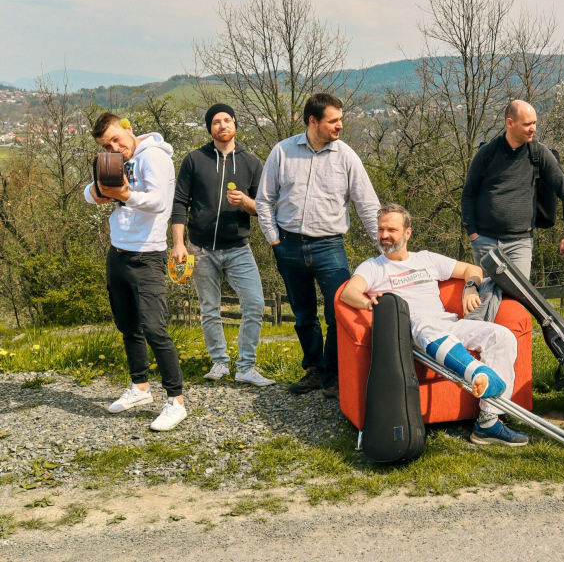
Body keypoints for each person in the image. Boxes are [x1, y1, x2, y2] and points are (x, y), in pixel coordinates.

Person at [340, 204, 529, 447]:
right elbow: (349, 292)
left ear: (408, 233)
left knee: (501, 335)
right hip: (411, 332)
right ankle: (477, 373)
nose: (384, 235)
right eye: (380, 229)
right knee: (419, 320)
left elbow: (471, 269)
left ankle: (488, 422)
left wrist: (470, 286)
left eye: (391, 229)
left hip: (446, 325)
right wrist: (368, 304)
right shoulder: (373, 266)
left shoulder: (426, 259)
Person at [256, 93, 380, 399]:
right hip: (288, 245)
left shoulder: (347, 156)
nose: (340, 125)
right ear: (313, 121)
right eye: (333, 120)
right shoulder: (282, 152)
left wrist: (387, 249)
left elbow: (367, 206)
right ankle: (313, 370)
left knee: (339, 311)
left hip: (330, 247)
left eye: (340, 119)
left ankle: (333, 376)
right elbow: (264, 200)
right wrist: (274, 240)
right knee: (303, 314)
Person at [84, 113, 186, 431]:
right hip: (118, 252)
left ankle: (176, 401)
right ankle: (140, 388)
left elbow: (159, 202)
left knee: (154, 329)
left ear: (128, 129)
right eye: (107, 144)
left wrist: (125, 195)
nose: (115, 147)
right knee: (128, 326)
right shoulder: (113, 159)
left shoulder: (154, 157)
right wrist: (98, 193)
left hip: (147, 255)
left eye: (117, 139)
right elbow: (89, 192)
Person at [171, 103, 273, 387]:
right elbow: (180, 203)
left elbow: (263, 208)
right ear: (210, 128)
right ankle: (219, 362)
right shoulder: (194, 159)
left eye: (227, 120)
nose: (222, 125)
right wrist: (179, 244)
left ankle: (246, 367)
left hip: (238, 247)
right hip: (200, 248)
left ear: (235, 125)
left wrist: (246, 202)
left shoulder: (252, 163)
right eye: (216, 122)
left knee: (254, 303)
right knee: (209, 307)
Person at [461, 99, 564, 277]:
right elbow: (468, 194)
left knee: (517, 299)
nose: (533, 128)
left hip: (520, 243)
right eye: (527, 124)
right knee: (486, 295)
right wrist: (473, 234)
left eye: (534, 123)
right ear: (510, 123)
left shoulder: (539, 153)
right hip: (484, 242)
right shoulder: (487, 153)